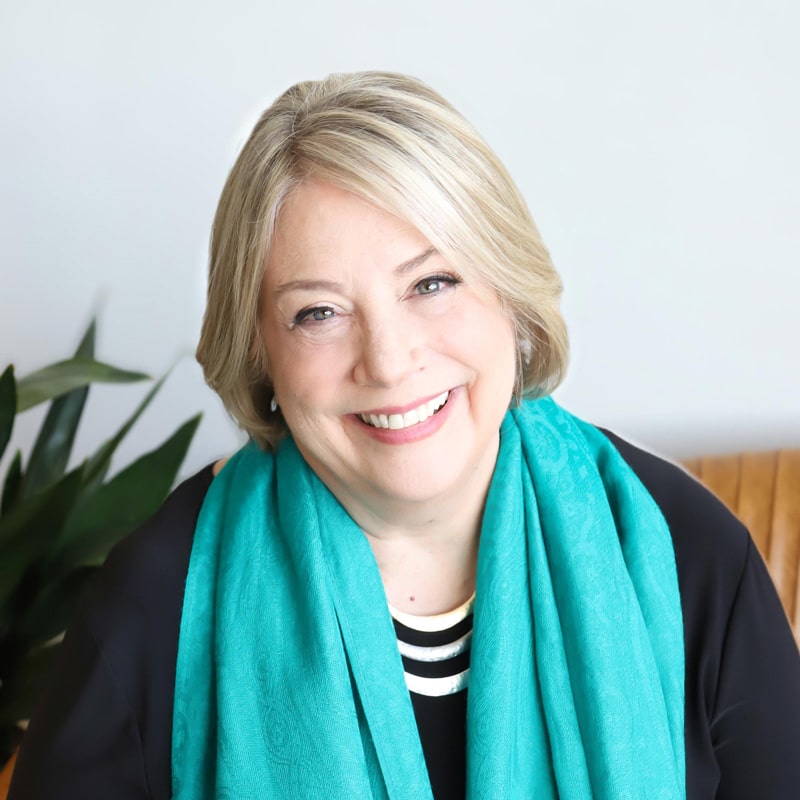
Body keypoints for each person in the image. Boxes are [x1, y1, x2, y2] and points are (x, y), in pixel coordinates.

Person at [8, 71, 800, 800]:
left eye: (432, 283)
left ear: (509, 294)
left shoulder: (688, 558)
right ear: (260, 355)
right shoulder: (157, 604)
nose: (389, 363)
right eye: (318, 312)